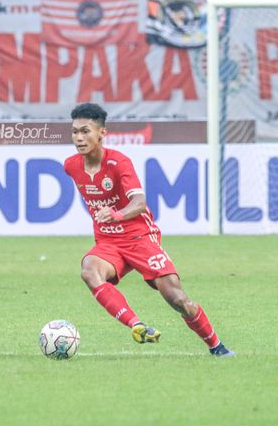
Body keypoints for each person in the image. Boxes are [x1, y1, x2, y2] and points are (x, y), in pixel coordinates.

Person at [64, 103, 235, 357]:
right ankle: (137, 325)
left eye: (86, 131)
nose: (79, 138)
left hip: (140, 238)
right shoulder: (71, 165)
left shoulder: (119, 163)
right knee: (89, 271)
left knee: (176, 298)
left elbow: (140, 203)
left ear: (102, 133)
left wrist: (116, 214)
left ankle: (216, 346)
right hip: (109, 243)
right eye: (75, 131)